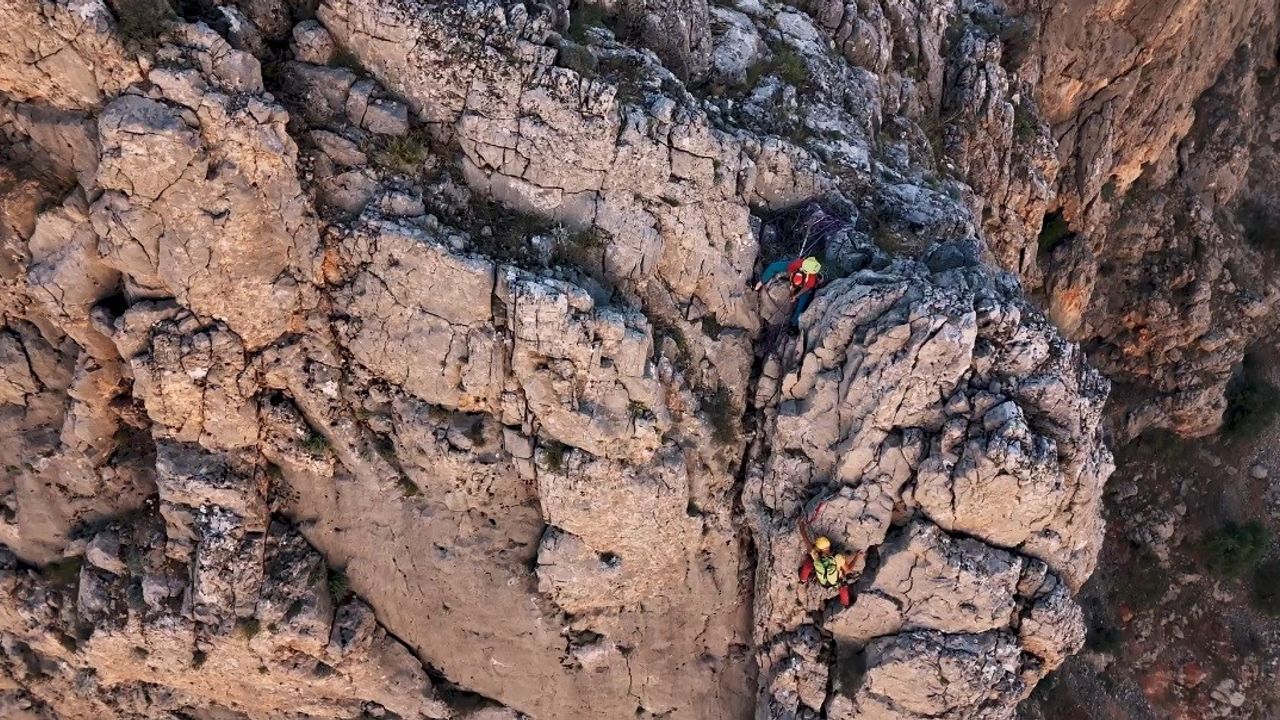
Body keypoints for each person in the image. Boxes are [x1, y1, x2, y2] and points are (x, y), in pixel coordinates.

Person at [754, 256, 824, 325]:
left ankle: (794, 323)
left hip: (802, 285)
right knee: (773, 267)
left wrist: (795, 295)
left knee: (802, 303)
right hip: (793, 275)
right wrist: (790, 282)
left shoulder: (812, 277)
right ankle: (760, 283)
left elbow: (806, 288)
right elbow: (789, 271)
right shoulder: (799, 262)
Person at [798, 535, 863, 607]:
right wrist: (857, 556)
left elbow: (807, 543)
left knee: (808, 564)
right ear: (829, 547)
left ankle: (803, 579)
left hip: (825, 581)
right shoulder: (837, 558)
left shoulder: (817, 557)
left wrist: (802, 528)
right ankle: (845, 603)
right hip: (830, 583)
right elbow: (849, 570)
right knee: (843, 586)